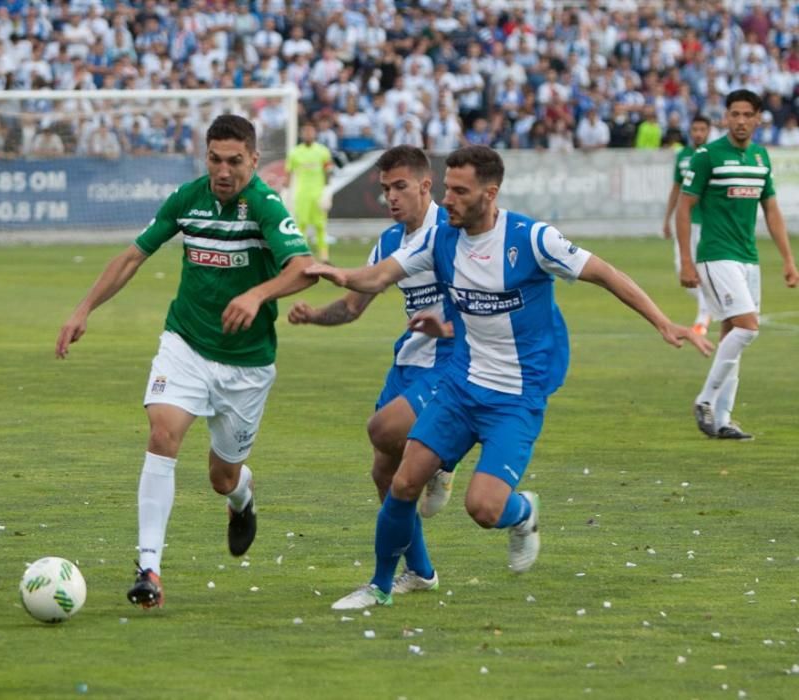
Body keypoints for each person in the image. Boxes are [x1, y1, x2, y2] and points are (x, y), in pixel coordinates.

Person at [306, 145, 713, 610]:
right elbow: (377, 278)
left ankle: (523, 512)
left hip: (514, 399)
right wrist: (335, 273)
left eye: (460, 191)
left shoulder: (533, 238)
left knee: (483, 509)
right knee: (401, 482)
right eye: (447, 189)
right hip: (460, 385)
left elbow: (605, 272)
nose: (449, 200)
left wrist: (663, 322)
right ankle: (380, 586)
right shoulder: (439, 240)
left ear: (490, 193)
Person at [55, 115, 315, 609]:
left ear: (254, 161)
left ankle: (242, 496)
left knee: (222, 476)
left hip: (246, 364)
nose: (223, 170)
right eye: (215, 159)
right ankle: (148, 567)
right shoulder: (187, 199)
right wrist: (83, 309)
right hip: (187, 344)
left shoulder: (264, 205)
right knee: (162, 433)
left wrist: (257, 295)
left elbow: (305, 269)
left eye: (234, 161)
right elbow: (133, 256)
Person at [287, 146, 454, 598]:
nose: (392, 198)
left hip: (451, 359)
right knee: (384, 474)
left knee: (382, 429)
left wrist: (334, 271)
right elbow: (354, 306)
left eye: (400, 187)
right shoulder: (389, 241)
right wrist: (314, 316)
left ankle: (443, 455)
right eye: (385, 190)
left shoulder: (453, 231)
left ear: (425, 185)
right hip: (408, 361)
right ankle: (420, 572)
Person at [676, 89, 799, 440]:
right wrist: (686, 261)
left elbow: (771, 210)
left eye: (748, 115)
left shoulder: (761, 158)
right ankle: (705, 400)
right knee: (748, 327)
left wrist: (788, 260)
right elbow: (685, 208)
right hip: (716, 254)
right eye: (735, 114)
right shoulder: (707, 156)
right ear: (725, 117)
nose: (741, 121)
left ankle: (723, 420)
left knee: (734, 334)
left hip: (749, 258)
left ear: (758, 118)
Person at [662, 114, 712, 336]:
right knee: (682, 269)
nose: (698, 133)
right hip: (684, 221)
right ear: (690, 131)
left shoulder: (713, 155)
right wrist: (667, 219)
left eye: (702, 129)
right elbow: (676, 188)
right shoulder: (683, 155)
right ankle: (710, 304)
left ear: (708, 131)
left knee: (701, 269)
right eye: (695, 129)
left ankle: (703, 315)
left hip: (706, 222)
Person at [285, 122, 334, 262]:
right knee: (301, 225)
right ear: (301, 133)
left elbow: (328, 171)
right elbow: (288, 174)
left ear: (315, 133)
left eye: (310, 131)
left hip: (318, 194)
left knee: (320, 225)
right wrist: (286, 193)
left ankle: (324, 257)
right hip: (302, 195)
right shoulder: (294, 153)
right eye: (305, 131)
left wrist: (328, 191)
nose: (308, 134)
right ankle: (303, 256)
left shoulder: (323, 151)